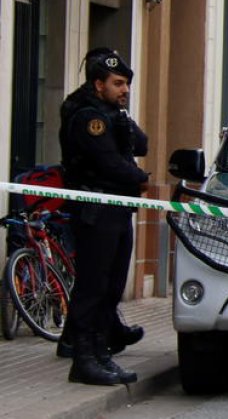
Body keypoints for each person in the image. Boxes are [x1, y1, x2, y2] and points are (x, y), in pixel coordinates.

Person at [58, 48, 149, 386]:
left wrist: (124, 118)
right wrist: (141, 179)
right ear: (99, 84)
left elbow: (142, 144)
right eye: (118, 84)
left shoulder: (112, 113)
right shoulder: (88, 118)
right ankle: (83, 357)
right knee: (93, 286)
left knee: (111, 286)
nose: (125, 90)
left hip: (116, 209)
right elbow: (108, 162)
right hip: (96, 211)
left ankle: (101, 353)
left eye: (126, 84)